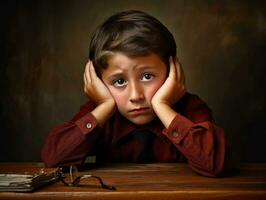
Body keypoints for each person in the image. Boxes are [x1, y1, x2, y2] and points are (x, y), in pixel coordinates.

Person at [41, 10, 229, 177]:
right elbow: (54, 159)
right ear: (100, 83)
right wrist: (105, 107)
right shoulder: (102, 112)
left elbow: (213, 164)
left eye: (147, 76)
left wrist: (162, 106)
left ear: (172, 72)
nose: (136, 95)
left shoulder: (189, 108)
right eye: (119, 81)